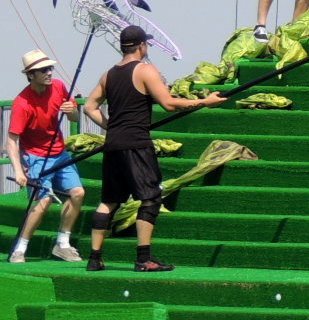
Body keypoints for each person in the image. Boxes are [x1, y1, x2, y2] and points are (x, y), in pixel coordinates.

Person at [80, 26, 224, 272]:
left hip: (113, 144)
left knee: (109, 201)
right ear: (141, 45)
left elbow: (89, 107)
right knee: (150, 198)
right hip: (136, 144)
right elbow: (168, 103)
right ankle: (143, 259)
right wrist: (206, 102)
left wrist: (112, 126)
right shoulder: (145, 70)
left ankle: (94, 258)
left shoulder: (108, 75)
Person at [7, 49, 84, 263]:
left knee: (78, 193)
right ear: (31, 75)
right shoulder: (22, 103)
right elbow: (11, 141)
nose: (49, 72)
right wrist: (18, 170)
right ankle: (20, 249)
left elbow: (75, 118)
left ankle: (62, 244)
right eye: (43, 70)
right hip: (35, 157)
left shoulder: (58, 86)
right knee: (44, 201)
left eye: (50, 68)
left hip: (59, 153)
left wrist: (71, 111)